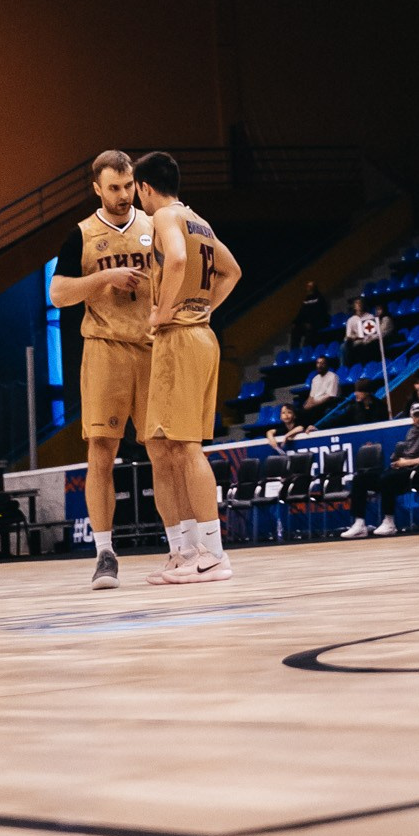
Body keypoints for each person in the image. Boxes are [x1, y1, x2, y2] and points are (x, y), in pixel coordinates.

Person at [47, 149, 157, 590]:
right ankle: (104, 553)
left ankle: (183, 546)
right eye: (114, 188)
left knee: (166, 450)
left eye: (128, 185)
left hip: (151, 347)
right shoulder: (80, 234)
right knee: (101, 453)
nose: (123, 194)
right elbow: (58, 294)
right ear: (97, 188)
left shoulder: (154, 224)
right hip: (104, 349)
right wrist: (104, 279)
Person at [137, 148, 242, 587]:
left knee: (185, 448)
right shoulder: (200, 221)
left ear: (144, 187)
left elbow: (177, 259)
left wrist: (163, 311)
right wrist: (204, 308)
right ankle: (184, 550)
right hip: (201, 336)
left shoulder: (165, 217)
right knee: (161, 446)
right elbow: (232, 272)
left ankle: (213, 554)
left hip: (179, 338)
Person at [342, 400, 419, 537]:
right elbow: (406, 454)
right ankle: (359, 523)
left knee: (387, 479)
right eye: (416, 415)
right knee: (360, 479)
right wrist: (397, 462)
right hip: (403, 470)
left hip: (418, 472)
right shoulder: (411, 431)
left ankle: (389, 522)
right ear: (412, 416)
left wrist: (407, 463)